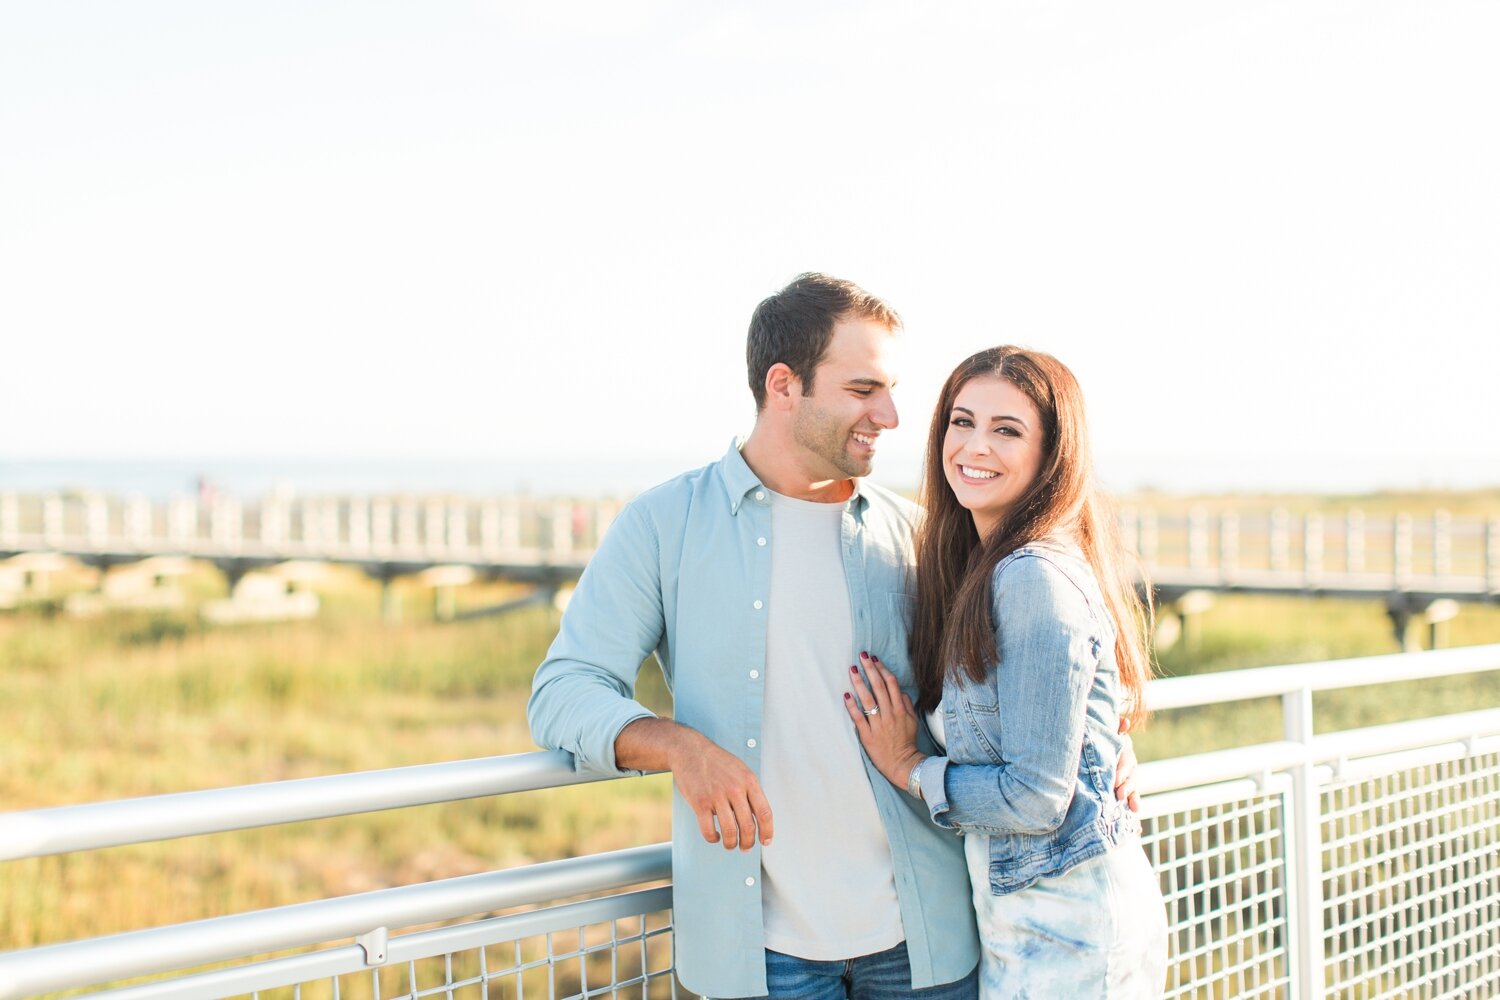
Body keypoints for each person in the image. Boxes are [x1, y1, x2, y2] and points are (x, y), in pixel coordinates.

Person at [529, 279, 1135, 1000]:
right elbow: (564, 690)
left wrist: (1107, 746)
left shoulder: (919, 536)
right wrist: (679, 748)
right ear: (784, 385)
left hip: (928, 944)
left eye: (891, 389)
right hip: (757, 954)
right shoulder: (663, 525)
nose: (891, 415)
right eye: (863, 389)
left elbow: (1038, 672)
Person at [842, 346, 1169, 998]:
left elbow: (1036, 796)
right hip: (1029, 920)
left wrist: (910, 767)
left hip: (1070, 928)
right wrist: (1104, 750)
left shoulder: (1031, 575)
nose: (974, 446)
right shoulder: (986, 566)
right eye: (961, 422)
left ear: (1052, 455)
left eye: (1007, 430)